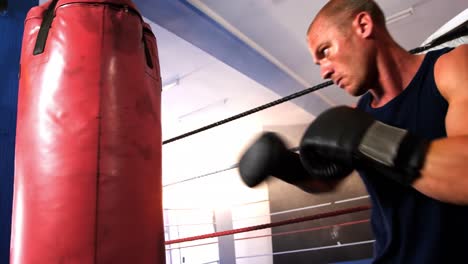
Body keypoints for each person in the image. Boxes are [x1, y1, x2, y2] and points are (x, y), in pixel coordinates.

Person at [238, 0, 468, 263]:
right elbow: (327, 179)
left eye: (325, 51)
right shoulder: (360, 113)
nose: (324, 71)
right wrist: (286, 166)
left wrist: (370, 139)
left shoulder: (450, 67)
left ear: (363, 25)